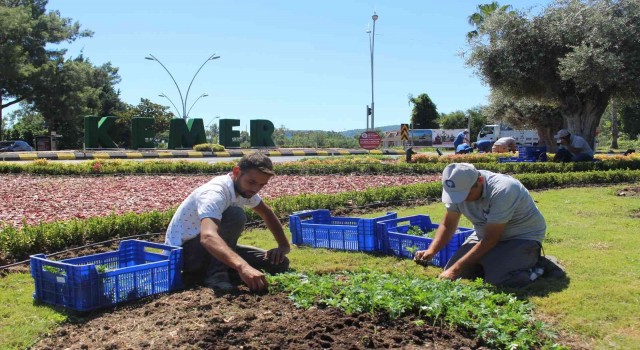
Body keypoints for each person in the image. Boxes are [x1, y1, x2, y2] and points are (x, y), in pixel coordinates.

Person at [165, 153, 291, 292]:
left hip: (206, 254)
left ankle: (220, 272)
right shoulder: (215, 193)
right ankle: (216, 276)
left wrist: (283, 246)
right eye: (252, 182)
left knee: (278, 263)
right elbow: (207, 237)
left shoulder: (244, 190)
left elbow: (266, 213)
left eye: (262, 185)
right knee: (235, 215)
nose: (255, 189)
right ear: (237, 172)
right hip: (185, 255)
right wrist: (243, 266)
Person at [414, 163, 547, 288]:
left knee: (498, 279)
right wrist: (431, 251)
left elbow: (490, 239)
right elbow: (449, 224)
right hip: (484, 234)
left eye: (465, 194)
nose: (461, 200)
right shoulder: (457, 187)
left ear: (480, 181)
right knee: (456, 270)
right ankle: (502, 259)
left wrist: (455, 270)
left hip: (521, 236)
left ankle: (538, 265)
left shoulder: (504, 190)